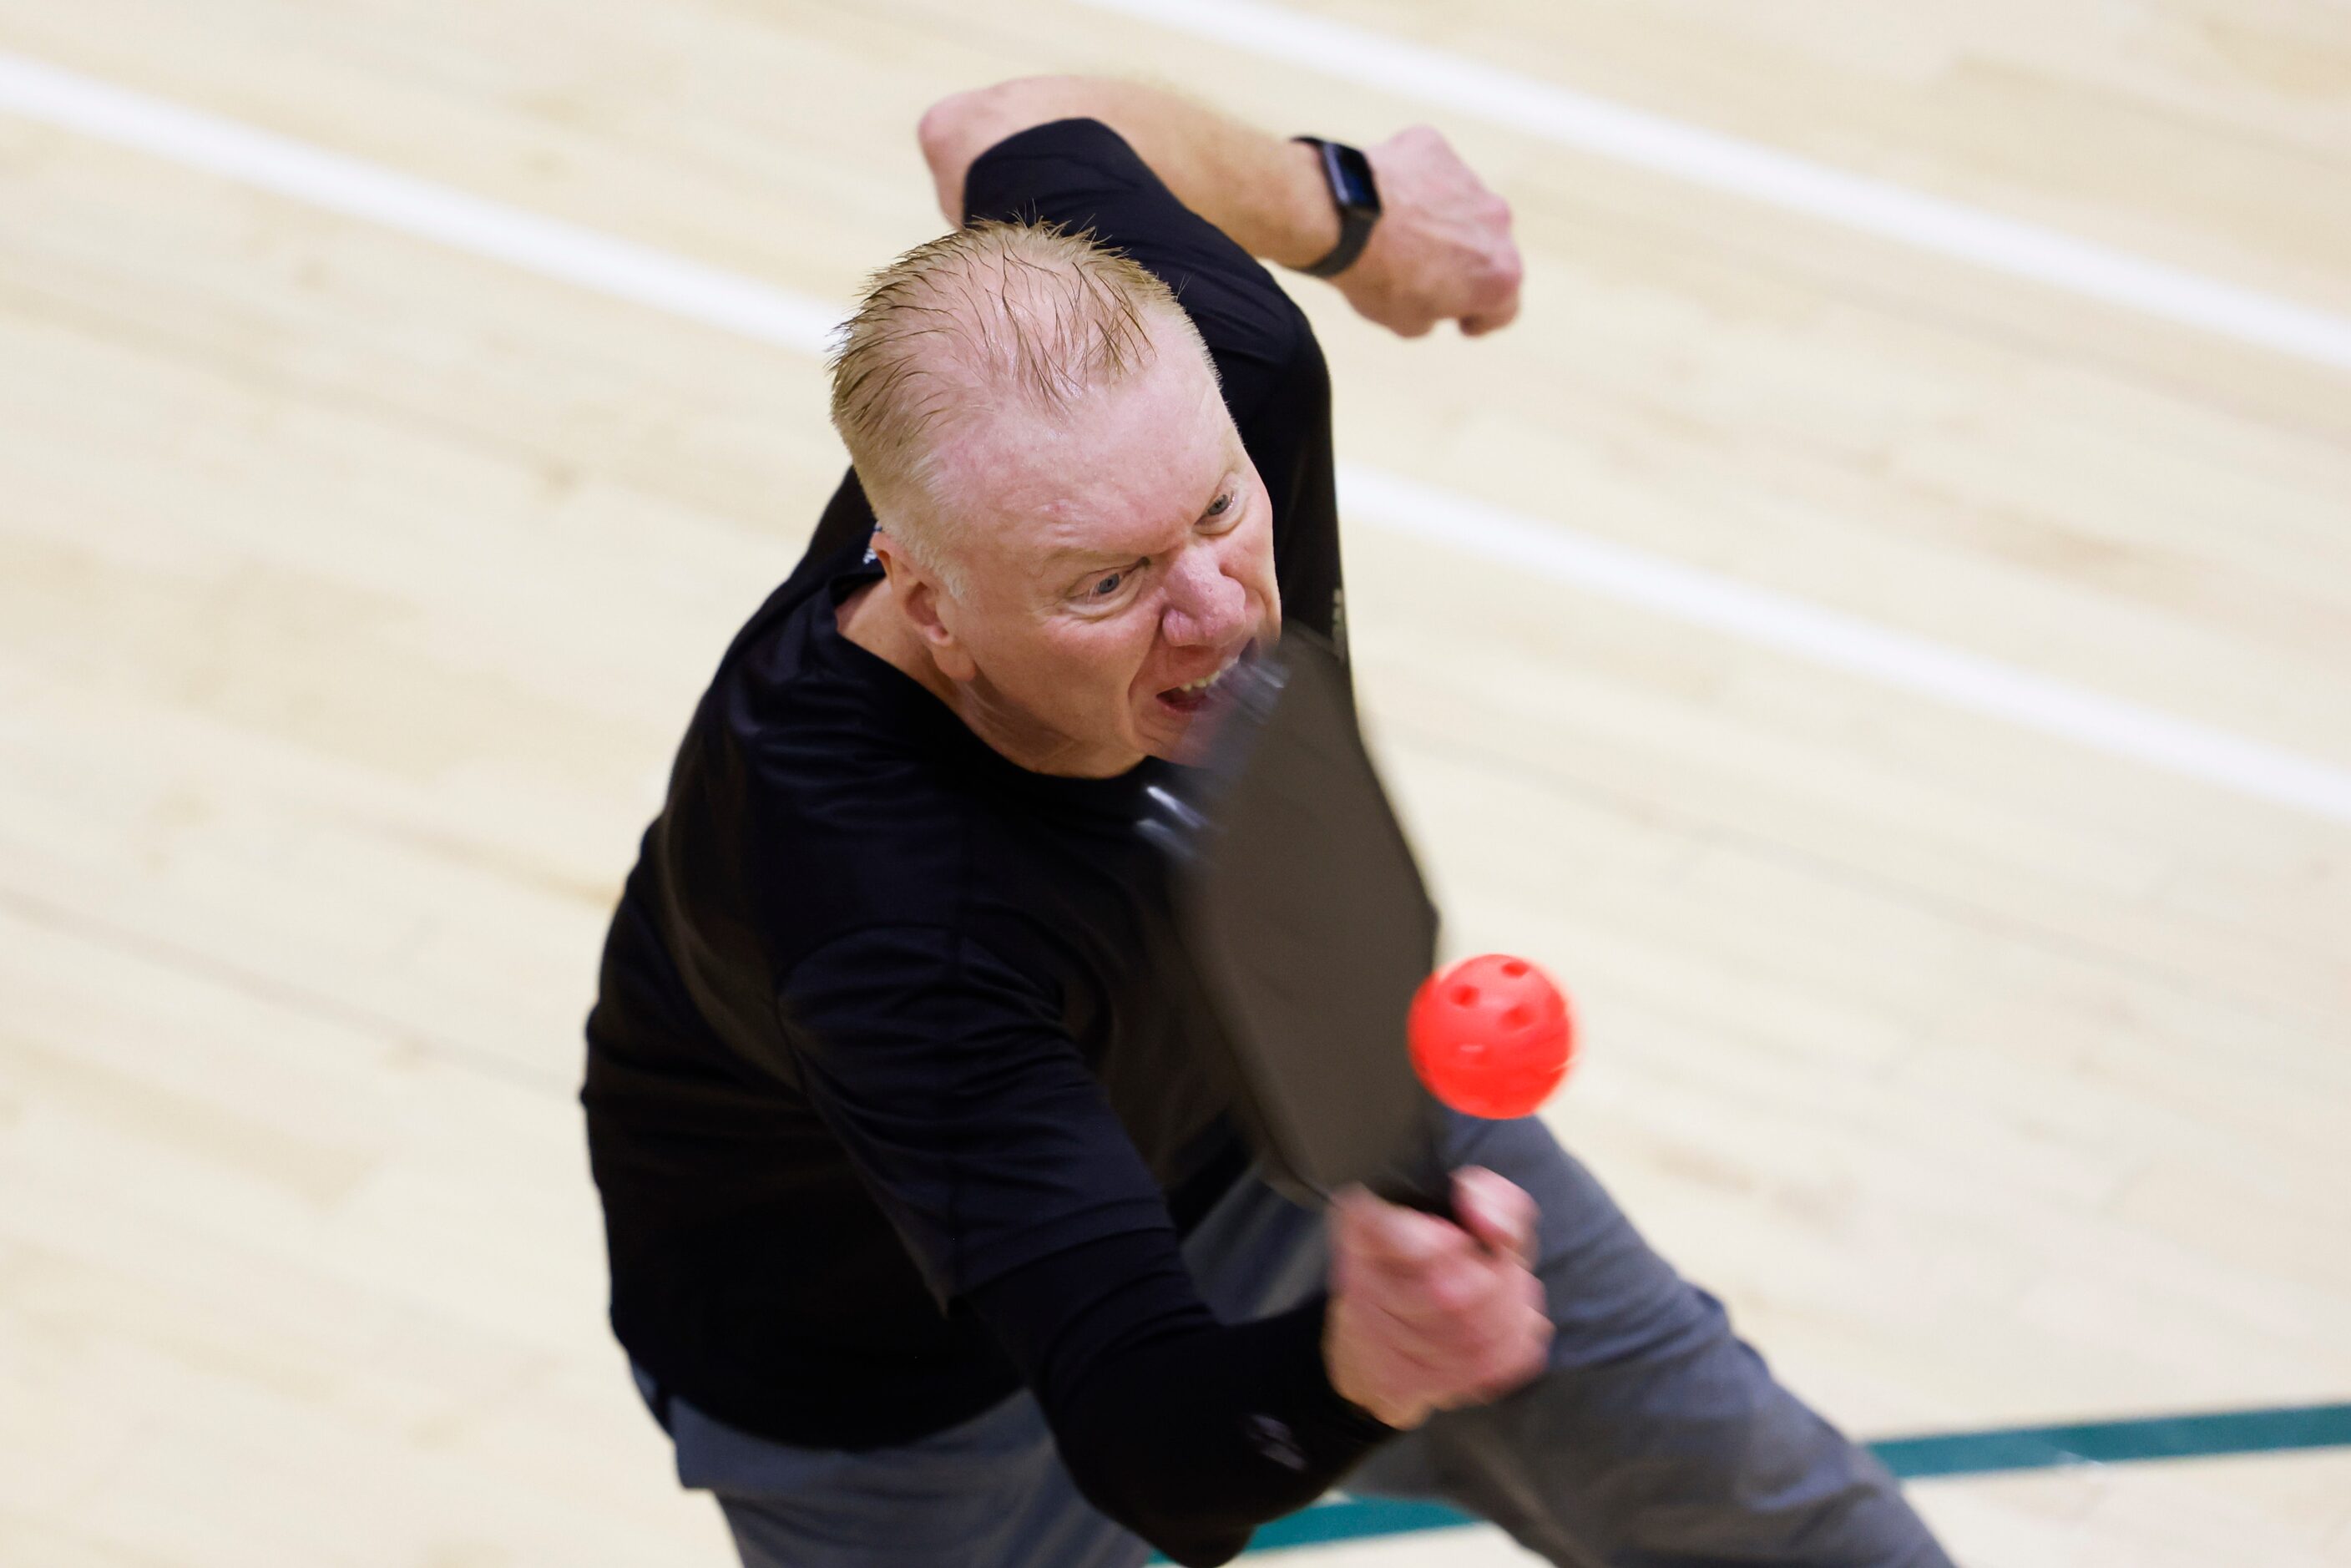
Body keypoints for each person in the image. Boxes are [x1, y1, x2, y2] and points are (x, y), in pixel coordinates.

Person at [581, 73, 1954, 1568]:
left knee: (1818, 1544)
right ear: (930, 602)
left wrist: (1349, 208)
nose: (1219, 614)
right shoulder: (880, 904)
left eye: (1224, 513)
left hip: (1305, 1079)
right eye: (1104, 583)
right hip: (906, 1383)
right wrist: (1362, 1367)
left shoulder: (1222, 373)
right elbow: (1152, 1448)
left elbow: (986, 125)